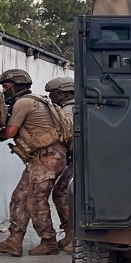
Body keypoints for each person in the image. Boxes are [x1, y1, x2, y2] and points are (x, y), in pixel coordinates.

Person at [0, 69, 67, 257]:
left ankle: (48, 241)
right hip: (42, 157)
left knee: (35, 200)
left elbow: (10, 132)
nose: (4, 91)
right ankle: (14, 241)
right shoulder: (35, 100)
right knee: (19, 197)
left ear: (16, 87)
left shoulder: (24, 102)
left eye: (6, 87)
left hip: (48, 157)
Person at [44, 76, 75, 252]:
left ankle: (74, 235)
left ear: (62, 93)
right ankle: (70, 234)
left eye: (52, 94)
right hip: (78, 158)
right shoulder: (70, 107)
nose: (50, 97)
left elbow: (67, 131)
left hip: (80, 159)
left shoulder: (69, 109)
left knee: (63, 192)